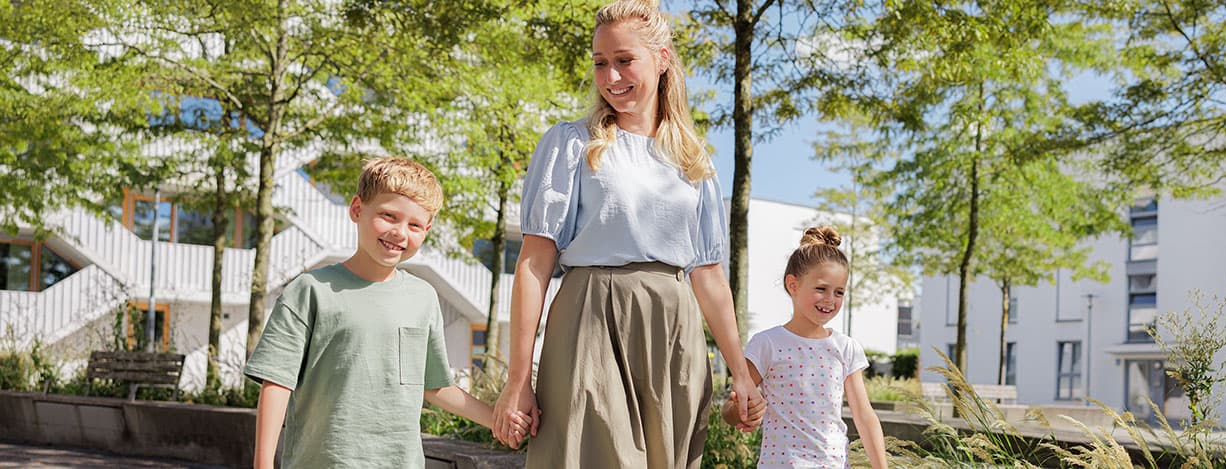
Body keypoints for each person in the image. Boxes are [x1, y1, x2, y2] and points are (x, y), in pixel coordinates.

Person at [489, 0, 765, 467]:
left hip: (673, 329)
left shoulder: (694, 161)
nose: (611, 77)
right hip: (589, 319)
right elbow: (534, 264)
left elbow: (711, 276)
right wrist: (519, 379)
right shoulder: (571, 145)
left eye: (624, 60)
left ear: (662, 60)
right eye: (600, 63)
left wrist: (739, 373)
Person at [245, 157, 495, 468]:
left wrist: (497, 420)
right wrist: (263, 463)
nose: (400, 233)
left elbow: (434, 386)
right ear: (357, 209)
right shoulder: (310, 290)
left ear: (427, 230)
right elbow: (277, 382)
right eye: (388, 216)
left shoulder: (424, 298)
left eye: (415, 225)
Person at [722, 226, 890, 468]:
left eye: (839, 292)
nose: (830, 299)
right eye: (821, 289)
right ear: (793, 285)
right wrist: (741, 410)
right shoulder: (767, 344)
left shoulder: (846, 348)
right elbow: (730, 408)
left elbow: (864, 416)